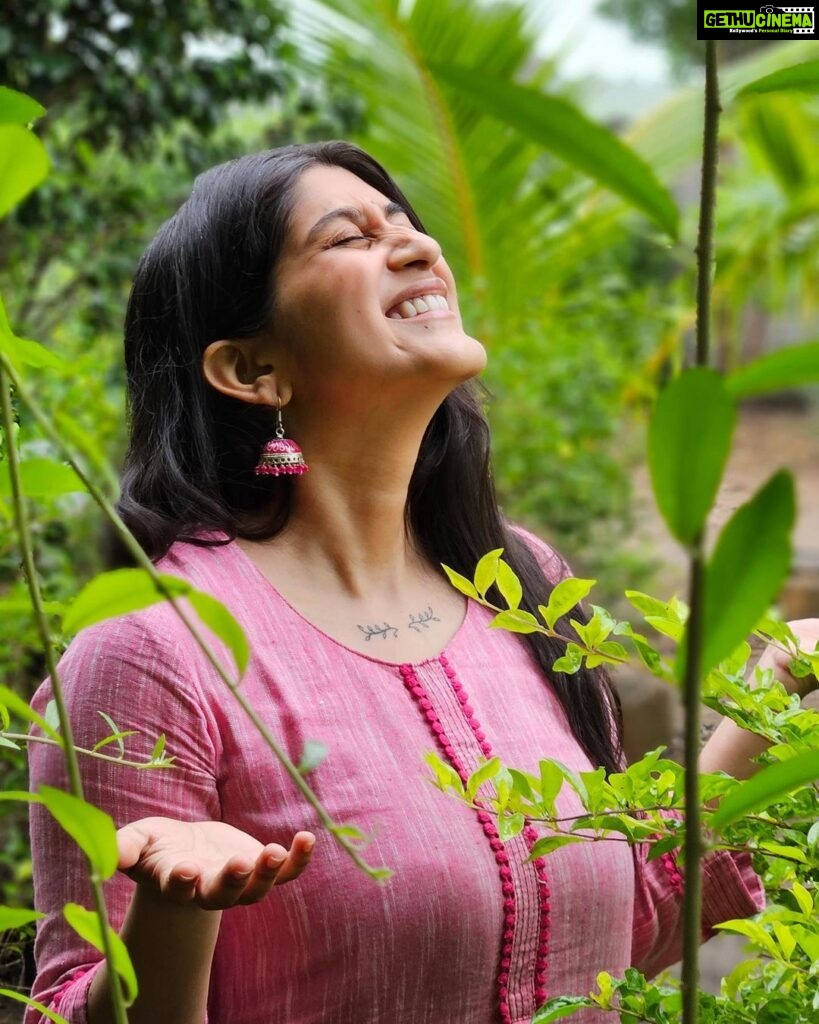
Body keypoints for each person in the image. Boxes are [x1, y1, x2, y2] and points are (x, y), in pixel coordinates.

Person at [25, 142, 816, 1024]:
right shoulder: (153, 651)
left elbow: (622, 936)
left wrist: (774, 697)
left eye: (405, 223)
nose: (414, 246)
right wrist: (173, 910)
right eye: (347, 239)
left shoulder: (520, 584)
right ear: (253, 370)